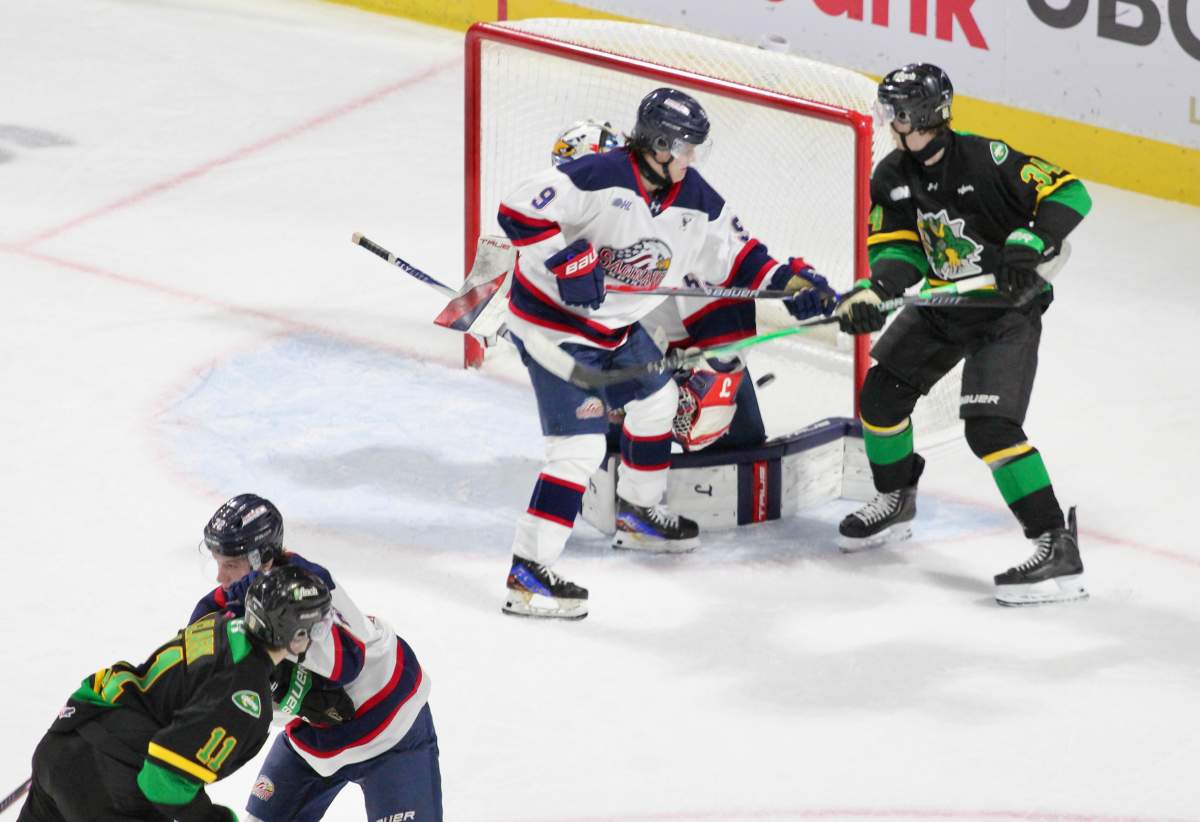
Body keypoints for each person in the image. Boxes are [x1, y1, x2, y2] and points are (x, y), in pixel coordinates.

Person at [498, 88, 834, 619]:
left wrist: (796, 282)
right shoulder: (598, 174)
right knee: (578, 451)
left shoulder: (694, 198)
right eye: (685, 147)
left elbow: (741, 256)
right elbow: (518, 210)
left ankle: (638, 513)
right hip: (552, 329)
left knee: (657, 405)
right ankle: (527, 572)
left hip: (617, 328)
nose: (691, 158)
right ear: (657, 143)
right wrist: (565, 262)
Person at [833, 63, 1092, 606]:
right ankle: (896, 501)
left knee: (990, 428)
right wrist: (875, 291)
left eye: (896, 112)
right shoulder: (891, 175)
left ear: (925, 114)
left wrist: (1029, 239)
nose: (889, 121)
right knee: (880, 398)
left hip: (1004, 310)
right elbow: (899, 250)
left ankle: (1056, 546)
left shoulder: (986, 158)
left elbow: (1070, 193)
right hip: (944, 304)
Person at [193, 493, 442, 822]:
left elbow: (348, 661)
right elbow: (197, 665)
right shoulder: (227, 602)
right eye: (218, 562)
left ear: (263, 559)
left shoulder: (310, 586)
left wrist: (277, 668)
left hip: (390, 727)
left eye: (231, 565)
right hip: (315, 739)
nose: (220, 577)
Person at [19, 566, 332, 822]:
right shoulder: (245, 703)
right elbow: (163, 782)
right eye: (316, 626)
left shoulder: (222, 625)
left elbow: (214, 675)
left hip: (63, 745)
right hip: (108, 787)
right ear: (296, 633)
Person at [551, 118, 790, 454]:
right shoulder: (564, 231)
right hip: (626, 362)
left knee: (734, 451)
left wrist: (715, 377)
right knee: (601, 444)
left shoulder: (675, 224)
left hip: (687, 354)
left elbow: (723, 312)